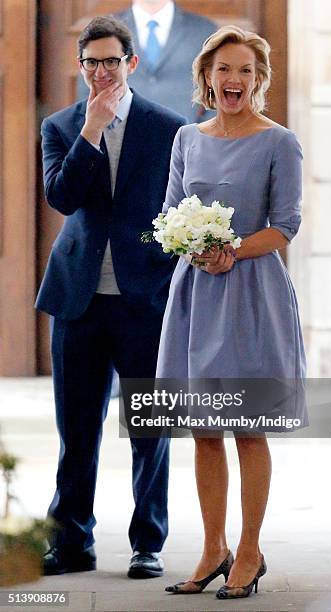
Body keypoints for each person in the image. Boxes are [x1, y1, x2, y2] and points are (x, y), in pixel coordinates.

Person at [156, 26, 307, 599]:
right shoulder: (187, 139)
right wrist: (192, 247)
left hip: (252, 296)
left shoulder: (279, 143)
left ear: (260, 80)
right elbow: (170, 212)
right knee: (203, 429)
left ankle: (249, 551)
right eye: (224, 70)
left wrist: (232, 251)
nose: (233, 80)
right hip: (195, 292)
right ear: (207, 78)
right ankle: (212, 546)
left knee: (246, 428)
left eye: (245, 70)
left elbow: (286, 224)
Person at [35, 15, 186, 578]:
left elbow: (180, 210)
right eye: (91, 63)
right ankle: (71, 541)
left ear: (132, 63)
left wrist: (172, 278)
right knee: (76, 430)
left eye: (111, 61)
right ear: (81, 67)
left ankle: (148, 542)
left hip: (144, 298)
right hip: (78, 298)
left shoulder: (169, 128)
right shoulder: (61, 125)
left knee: (151, 429)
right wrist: (91, 132)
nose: (101, 72)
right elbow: (63, 196)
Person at [77, 0, 216, 122]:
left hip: (185, 145)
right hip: (119, 146)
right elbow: (86, 97)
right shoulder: (101, 32)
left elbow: (216, 97)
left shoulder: (204, 31)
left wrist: (200, 141)